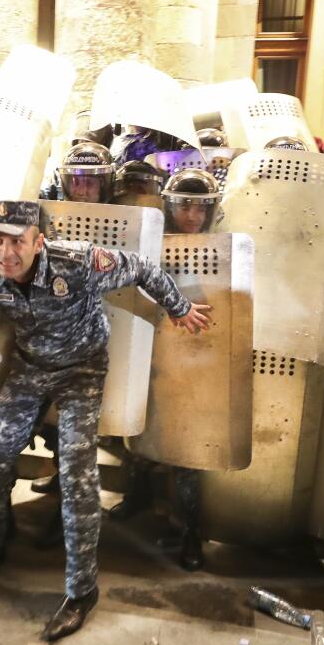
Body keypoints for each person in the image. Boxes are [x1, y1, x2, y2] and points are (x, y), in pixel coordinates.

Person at [0, 200, 211, 641]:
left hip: (82, 369)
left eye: (16, 242)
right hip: (30, 368)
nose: (5, 253)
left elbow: (139, 267)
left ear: (38, 241)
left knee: (78, 474)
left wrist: (177, 307)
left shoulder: (77, 262)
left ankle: (82, 592)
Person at [108, 169, 222, 570]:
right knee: (138, 432)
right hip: (151, 346)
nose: (192, 214)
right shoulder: (149, 242)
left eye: (200, 207)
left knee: (186, 449)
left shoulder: (222, 247)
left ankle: (190, 529)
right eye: (184, 204)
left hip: (198, 354)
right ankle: (136, 498)